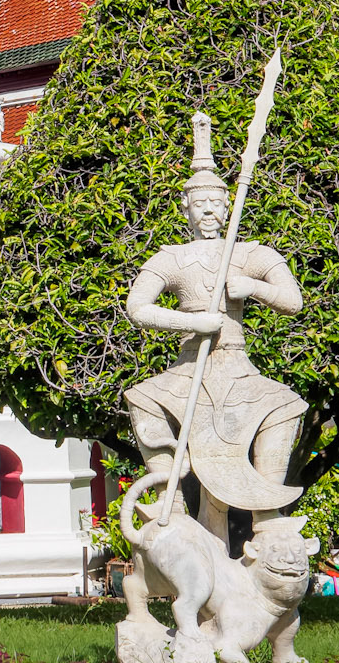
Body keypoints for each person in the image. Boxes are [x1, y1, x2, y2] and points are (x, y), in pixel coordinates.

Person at [124, 112, 307, 545]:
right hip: (193, 362)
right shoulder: (171, 257)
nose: (208, 212)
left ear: (228, 208)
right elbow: (138, 307)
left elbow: (293, 301)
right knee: (142, 398)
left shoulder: (248, 253)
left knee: (286, 407)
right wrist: (192, 322)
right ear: (186, 209)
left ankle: (266, 508)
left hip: (236, 364)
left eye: (216, 205)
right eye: (200, 205)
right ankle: (167, 481)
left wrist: (252, 286)